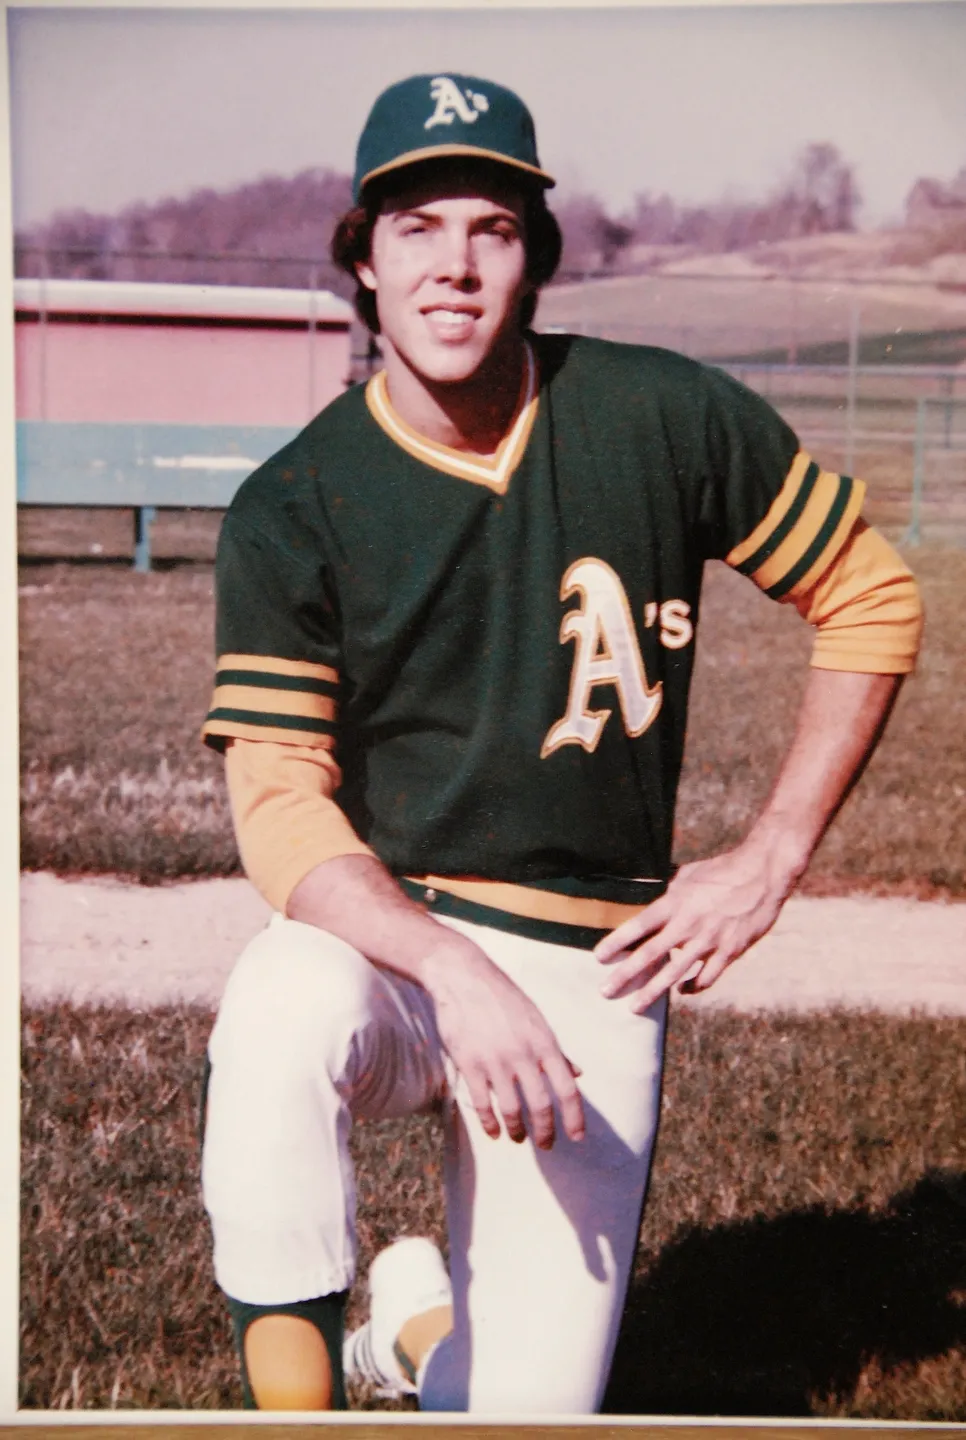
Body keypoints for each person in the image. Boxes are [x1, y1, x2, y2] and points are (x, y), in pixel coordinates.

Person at [199, 72, 923, 1414]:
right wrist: (448, 965)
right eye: (415, 228)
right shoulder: (294, 504)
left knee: (519, 1415)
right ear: (361, 259)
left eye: (492, 227)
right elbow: (282, 808)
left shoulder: (657, 415)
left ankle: (412, 1333)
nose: (454, 267)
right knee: (278, 1001)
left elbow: (870, 594)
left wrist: (769, 858)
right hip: (397, 957)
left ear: (537, 256)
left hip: (598, 963)